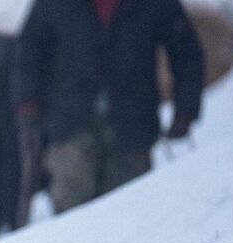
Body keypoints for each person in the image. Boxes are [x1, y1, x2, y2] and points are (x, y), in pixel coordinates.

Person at [14, 0, 205, 213]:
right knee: (71, 222)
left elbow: (186, 52)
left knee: (129, 216)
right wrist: (27, 106)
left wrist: (186, 110)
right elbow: (28, 50)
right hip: (70, 126)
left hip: (133, 127)